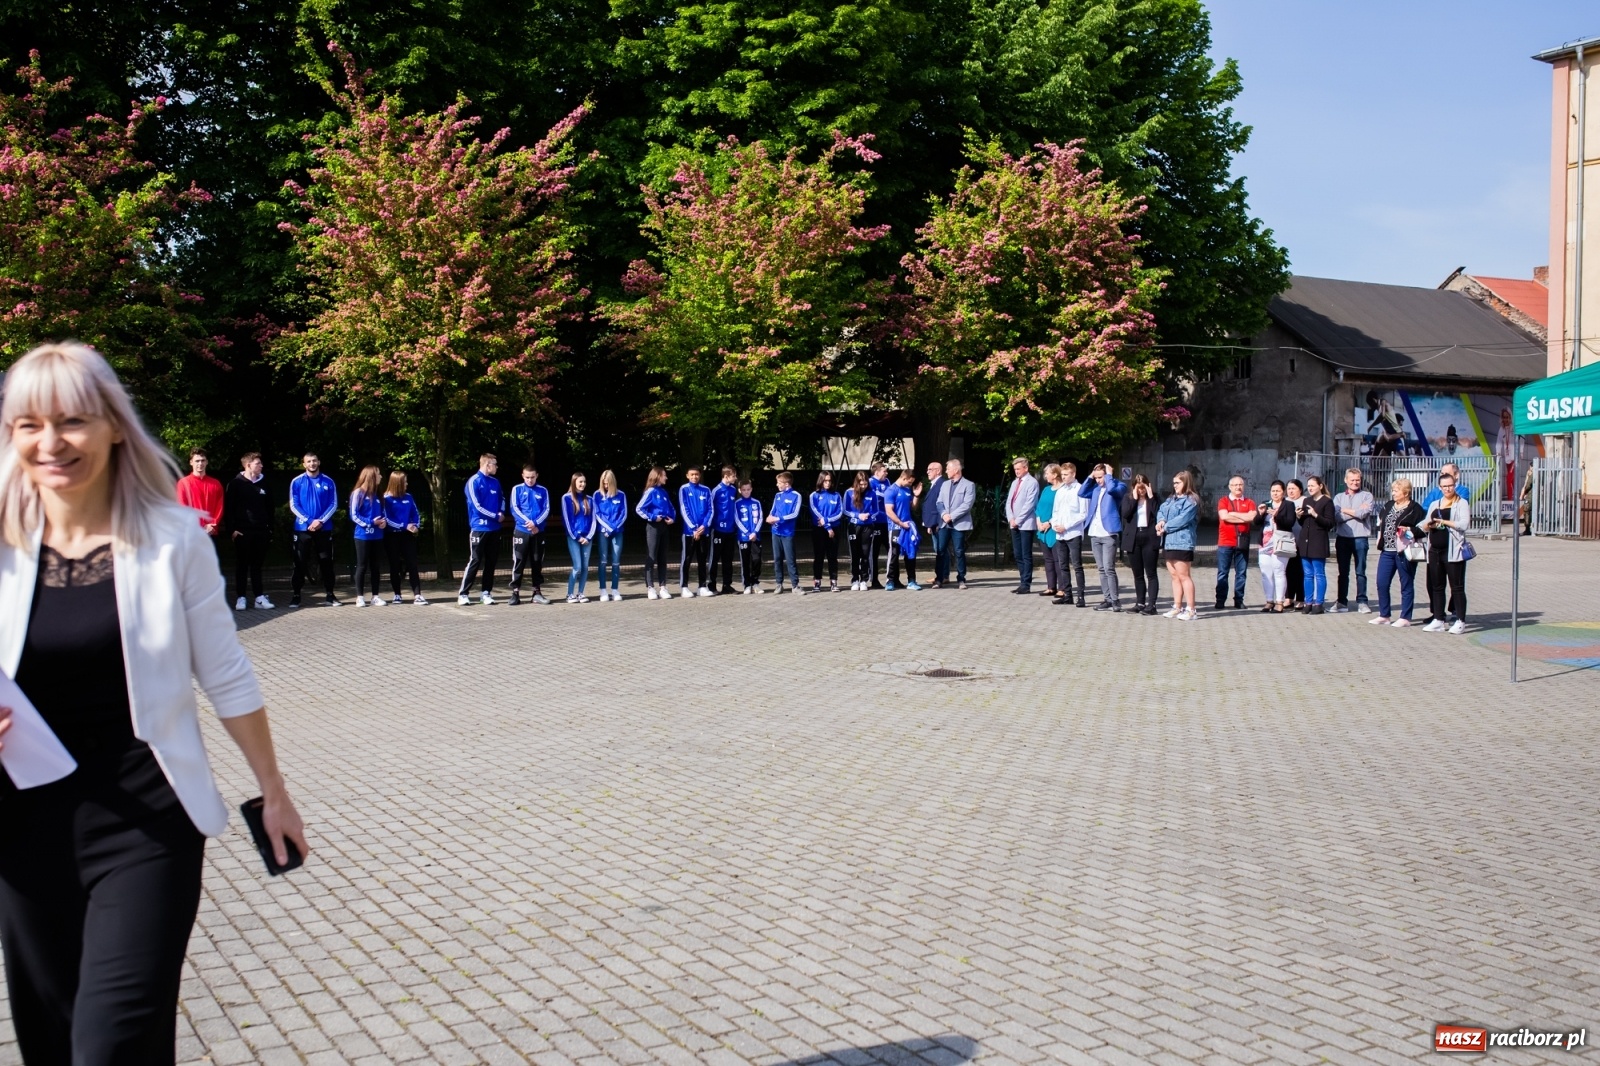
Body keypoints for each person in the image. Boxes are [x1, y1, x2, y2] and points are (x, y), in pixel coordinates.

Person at [0, 342, 309, 1065]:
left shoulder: (171, 538)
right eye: (28, 424)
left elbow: (226, 673)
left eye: (72, 420)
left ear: (114, 426)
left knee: (112, 1044)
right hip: (21, 828)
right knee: (52, 1042)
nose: (51, 442)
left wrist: (273, 790)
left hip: (147, 824)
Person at [1371, 477, 1424, 628]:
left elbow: (1422, 529)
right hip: (1387, 550)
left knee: (1406, 583)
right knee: (1382, 582)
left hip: (1404, 551)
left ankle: (1405, 617)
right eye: (1393, 490)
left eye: (1396, 491)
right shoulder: (1388, 505)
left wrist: (1409, 530)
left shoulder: (1416, 509)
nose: (1393, 493)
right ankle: (1384, 615)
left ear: (1406, 492)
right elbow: (1380, 522)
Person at [1422, 471, 1471, 634]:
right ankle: (1438, 619)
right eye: (1444, 486)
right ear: (1439, 487)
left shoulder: (1461, 503)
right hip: (1435, 550)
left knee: (1457, 587)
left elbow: (1464, 524)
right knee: (1437, 586)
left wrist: (1444, 522)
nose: (1447, 489)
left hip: (1453, 551)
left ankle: (1460, 620)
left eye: (1450, 486)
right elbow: (1425, 524)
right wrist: (1428, 525)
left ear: (1454, 485)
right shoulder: (1435, 504)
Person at [224, 452, 274, 611]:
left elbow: (270, 509)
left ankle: (259, 598)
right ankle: (241, 598)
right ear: (248, 465)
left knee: (257, 566)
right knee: (242, 565)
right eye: (258, 463)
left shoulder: (265, 483)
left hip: (261, 532)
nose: (261, 466)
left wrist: (269, 530)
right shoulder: (235, 484)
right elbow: (229, 509)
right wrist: (232, 530)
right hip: (242, 532)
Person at [288, 452, 339, 607]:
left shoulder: (328, 481)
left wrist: (320, 521)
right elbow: (294, 505)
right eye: (309, 461)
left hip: (323, 528)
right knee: (299, 562)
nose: (312, 464)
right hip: (303, 529)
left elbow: (333, 504)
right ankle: (296, 595)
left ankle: (330, 595)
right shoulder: (297, 481)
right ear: (304, 464)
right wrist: (310, 520)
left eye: (314, 460)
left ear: (319, 462)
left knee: (326, 562)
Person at [457, 453, 508, 606]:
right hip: (479, 527)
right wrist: (495, 516)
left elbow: (502, 499)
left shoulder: (495, 482)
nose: (497, 467)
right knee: (475, 560)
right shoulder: (474, 481)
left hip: (494, 529)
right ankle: (463, 594)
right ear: (487, 464)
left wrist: (501, 512)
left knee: (491, 562)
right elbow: (476, 506)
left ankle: (486, 592)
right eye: (495, 464)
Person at [1077, 463, 1125, 610]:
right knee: (1101, 568)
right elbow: (1081, 492)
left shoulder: (1119, 485)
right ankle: (1107, 599)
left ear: (1108, 474)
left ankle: (1115, 600)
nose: (1098, 480)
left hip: (1108, 532)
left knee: (1109, 567)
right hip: (1094, 532)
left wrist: (1109, 476)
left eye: (1100, 477)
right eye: (1096, 477)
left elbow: (1112, 490)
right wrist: (1090, 476)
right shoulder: (1096, 489)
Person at [1156, 471, 1199, 620]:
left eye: (1178, 483)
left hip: (1182, 542)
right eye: (1174, 483)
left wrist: (1165, 527)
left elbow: (1183, 519)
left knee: (1184, 576)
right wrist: (1160, 520)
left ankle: (1191, 610)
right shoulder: (1171, 499)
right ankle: (1177, 607)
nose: (1174, 486)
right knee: (1174, 576)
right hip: (1168, 542)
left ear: (1186, 482)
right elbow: (1161, 510)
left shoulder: (1191, 500)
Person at [1333, 467, 1375, 614]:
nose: (1355, 482)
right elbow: (1336, 517)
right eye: (1352, 480)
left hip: (1360, 538)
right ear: (1346, 480)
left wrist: (1345, 510)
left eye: (1357, 480)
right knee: (1343, 572)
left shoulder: (1367, 496)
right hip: (1342, 539)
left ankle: (1362, 602)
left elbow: (1363, 514)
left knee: (1360, 571)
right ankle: (1341, 602)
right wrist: (1356, 511)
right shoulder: (1338, 497)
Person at [508, 463, 550, 606]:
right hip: (522, 530)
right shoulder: (517, 489)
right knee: (519, 561)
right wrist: (529, 523)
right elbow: (514, 508)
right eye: (527, 477)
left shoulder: (543, 490)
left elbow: (546, 509)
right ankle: (515, 592)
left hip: (538, 531)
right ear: (522, 476)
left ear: (537, 476)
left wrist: (536, 524)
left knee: (537, 562)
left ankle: (536, 593)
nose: (530, 480)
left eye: (532, 477)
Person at [382, 471, 426, 605]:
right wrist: (404, 525)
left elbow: (415, 514)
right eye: (404, 481)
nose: (407, 484)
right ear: (397, 483)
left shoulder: (409, 497)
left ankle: (417, 595)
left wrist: (415, 526)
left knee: (412, 564)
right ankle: (397, 594)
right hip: (392, 536)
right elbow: (387, 519)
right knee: (394, 565)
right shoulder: (386, 498)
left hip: (408, 536)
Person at [1119, 473, 1160, 614]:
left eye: (1143, 487)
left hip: (1149, 536)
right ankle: (1140, 603)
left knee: (1151, 573)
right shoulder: (1128, 498)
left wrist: (1151, 497)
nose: (1141, 491)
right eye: (1139, 488)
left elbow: (1158, 513)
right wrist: (1135, 499)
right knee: (1138, 573)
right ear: (1134, 487)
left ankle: (1152, 605)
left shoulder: (1154, 498)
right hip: (1133, 537)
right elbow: (1125, 514)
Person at [175, 449, 223, 567]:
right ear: (191, 462)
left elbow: (220, 507)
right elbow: (182, 507)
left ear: (207, 462)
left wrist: (212, 524)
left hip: (211, 533)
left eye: (203, 460)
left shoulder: (215, 484)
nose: (200, 463)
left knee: (210, 567)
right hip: (191, 532)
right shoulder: (183, 483)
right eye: (197, 461)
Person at [348, 465, 388, 606]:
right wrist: (371, 522)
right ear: (371, 476)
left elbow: (383, 513)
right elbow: (354, 515)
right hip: (362, 535)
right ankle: (359, 597)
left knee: (376, 566)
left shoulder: (378, 494)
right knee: (362, 566)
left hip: (377, 536)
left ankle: (375, 596)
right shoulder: (358, 493)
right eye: (378, 474)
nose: (380, 476)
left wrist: (383, 522)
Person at [1296, 475, 1337, 614]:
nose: (1310, 488)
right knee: (1307, 574)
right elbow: (1303, 523)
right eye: (1308, 486)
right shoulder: (1306, 500)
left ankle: (1319, 603)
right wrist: (1299, 516)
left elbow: (1330, 523)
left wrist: (1315, 515)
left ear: (1320, 486)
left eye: (1312, 485)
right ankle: (1308, 602)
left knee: (1319, 573)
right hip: (1305, 541)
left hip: (1318, 542)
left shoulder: (1327, 502)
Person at [933, 458, 976, 589]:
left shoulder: (969, 485)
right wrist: (943, 514)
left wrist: (951, 516)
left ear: (956, 470)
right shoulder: (945, 484)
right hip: (944, 523)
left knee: (959, 551)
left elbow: (967, 505)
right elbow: (939, 502)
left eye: (948, 469)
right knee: (940, 551)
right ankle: (939, 579)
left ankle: (961, 579)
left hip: (959, 524)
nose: (946, 471)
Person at [1214, 475, 1255, 610]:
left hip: (1242, 542)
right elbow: (1224, 516)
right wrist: (1243, 517)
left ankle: (1239, 600)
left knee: (1241, 573)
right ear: (1230, 487)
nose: (1238, 487)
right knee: (1223, 573)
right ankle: (1220, 600)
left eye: (1240, 485)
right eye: (1235, 485)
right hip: (1225, 542)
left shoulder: (1249, 502)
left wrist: (1233, 514)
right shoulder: (1223, 501)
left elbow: (1251, 517)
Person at [1051, 463, 1089, 607]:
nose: (1064, 477)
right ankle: (1067, 595)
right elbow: (1055, 511)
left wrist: (1066, 526)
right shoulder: (1060, 491)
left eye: (1066, 475)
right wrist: (1055, 524)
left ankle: (1081, 596)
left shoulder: (1080, 489)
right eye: (1062, 474)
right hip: (1060, 534)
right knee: (1063, 565)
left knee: (1077, 565)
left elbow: (1083, 514)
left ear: (1073, 474)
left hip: (1073, 533)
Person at [635, 467, 676, 599]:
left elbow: (671, 508)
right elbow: (639, 508)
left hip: (664, 526)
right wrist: (652, 517)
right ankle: (650, 587)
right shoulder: (650, 491)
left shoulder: (664, 492)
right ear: (658, 476)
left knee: (663, 557)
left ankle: (663, 587)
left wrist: (672, 518)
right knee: (651, 556)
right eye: (664, 475)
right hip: (653, 527)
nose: (666, 478)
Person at [1255, 480, 1294, 613]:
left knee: (1279, 572)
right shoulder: (1266, 504)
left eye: (1278, 491)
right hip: (1265, 543)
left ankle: (1279, 601)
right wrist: (1260, 514)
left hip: (1280, 543)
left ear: (1283, 492)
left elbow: (1290, 522)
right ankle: (1269, 601)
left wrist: (1277, 516)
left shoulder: (1288, 505)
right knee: (1266, 573)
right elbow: (1256, 523)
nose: (1275, 493)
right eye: (1273, 491)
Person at [1004, 456, 1040, 594]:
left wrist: (1018, 520)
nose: (1016, 471)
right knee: (1017, 554)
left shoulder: (1032, 482)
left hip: (1026, 524)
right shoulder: (1015, 482)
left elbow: (1029, 504)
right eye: (1015, 469)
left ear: (1026, 468)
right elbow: (1009, 501)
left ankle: (1026, 583)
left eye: (1018, 469)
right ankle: (1022, 581)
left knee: (1026, 554)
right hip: (1014, 523)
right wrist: (1011, 518)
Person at [677, 467, 714, 598]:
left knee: (702, 559)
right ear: (687, 475)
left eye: (696, 474)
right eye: (692, 474)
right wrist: (693, 528)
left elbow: (710, 509)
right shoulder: (684, 489)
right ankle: (684, 587)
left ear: (700, 475)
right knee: (686, 559)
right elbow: (684, 509)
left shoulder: (706, 490)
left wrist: (704, 526)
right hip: (689, 532)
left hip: (704, 531)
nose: (694, 477)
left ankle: (702, 586)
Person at [883, 468, 922, 591]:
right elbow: (889, 511)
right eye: (909, 482)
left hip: (908, 527)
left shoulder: (907, 490)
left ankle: (911, 581)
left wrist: (916, 495)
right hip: (895, 527)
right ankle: (890, 581)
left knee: (910, 553)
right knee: (894, 554)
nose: (910, 484)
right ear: (904, 478)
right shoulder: (891, 490)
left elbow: (913, 507)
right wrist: (900, 523)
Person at [593, 470, 627, 602]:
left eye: (608, 483)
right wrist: (607, 527)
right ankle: (603, 589)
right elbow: (597, 514)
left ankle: (615, 589)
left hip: (617, 531)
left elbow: (623, 514)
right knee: (603, 560)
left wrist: (614, 528)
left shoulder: (621, 495)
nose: (606, 486)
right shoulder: (597, 495)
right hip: (603, 531)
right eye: (604, 484)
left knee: (616, 561)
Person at [766, 471, 802, 593]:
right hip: (775, 531)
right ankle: (779, 584)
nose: (777, 485)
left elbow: (794, 514)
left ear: (786, 484)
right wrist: (769, 517)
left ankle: (795, 585)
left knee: (790, 559)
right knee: (777, 558)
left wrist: (778, 519)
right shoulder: (778, 495)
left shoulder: (796, 495)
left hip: (787, 532)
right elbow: (773, 510)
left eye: (779, 482)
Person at [562, 472, 595, 603]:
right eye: (580, 481)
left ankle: (580, 593)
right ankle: (570, 594)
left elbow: (593, 520)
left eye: (584, 482)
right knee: (577, 566)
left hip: (587, 538)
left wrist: (589, 537)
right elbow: (567, 520)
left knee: (585, 567)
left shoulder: (590, 499)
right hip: (574, 537)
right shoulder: (566, 498)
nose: (583, 484)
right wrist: (577, 537)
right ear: (574, 482)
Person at [808, 471, 844, 592]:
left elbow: (840, 512)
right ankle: (817, 582)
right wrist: (827, 527)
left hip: (835, 529)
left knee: (832, 557)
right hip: (819, 529)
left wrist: (827, 521)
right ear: (821, 481)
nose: (827, 483)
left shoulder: (837, 495)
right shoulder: (814, 495)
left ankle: (833, 582)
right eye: (825, 481)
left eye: (829, 481)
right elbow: (814, 511)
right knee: (819, 556)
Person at [710, 466, 740, 595]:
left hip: (730, 530)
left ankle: (727, 585)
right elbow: (710, 508)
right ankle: (711, 585)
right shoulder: (716, 490)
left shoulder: (733, 490)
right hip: (718, 530)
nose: (735, 478)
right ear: (726, 476)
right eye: (733, 476)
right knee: (714, 558)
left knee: (728, 559)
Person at [845, 471, 875, 591]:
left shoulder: (872, 493)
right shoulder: (849, 493)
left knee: (865, 554)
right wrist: (858, 516)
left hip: (867, 526)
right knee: (854, 554)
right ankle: (855, 579)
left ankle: (864, 580)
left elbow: (876, 510)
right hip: (854, 526)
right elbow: (845, 510)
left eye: (865, 484)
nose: (863, 487)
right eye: (861, 484)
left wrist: (869, 515)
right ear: (856, 483)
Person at [734, 480, 765, 592]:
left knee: (757, 560)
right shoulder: (737, 503)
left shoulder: (756, 502)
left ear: (751, 489)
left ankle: (755, 583)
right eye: (744, 490)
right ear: (740, 490)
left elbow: (761, 518)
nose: (746, 492)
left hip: (756, 537)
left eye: (748, 489)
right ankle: (747, 585)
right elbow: (737, 520)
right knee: (745, 561)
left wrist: (755, 532)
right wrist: (748, 533)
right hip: (743, 537)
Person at [1035, 464, 1060, 597]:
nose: (1045, 476)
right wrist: (1038, 521)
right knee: (1048, 559)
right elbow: (1038, 507)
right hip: (1042, 528)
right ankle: (1051, 587)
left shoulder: (1061, 491)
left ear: (1055, 474)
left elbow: (1060, 511)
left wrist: (1049, 523)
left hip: (1054, 529)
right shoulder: (1046, 489)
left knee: (1057, 560)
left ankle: (1062, 587)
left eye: (1047, 473)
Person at [867, 461, 890, 589]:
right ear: (877, 472)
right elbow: (873, 497)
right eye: (884, 471)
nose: (886, 473)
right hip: (875, 522)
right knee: (874, 552)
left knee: (892, 550)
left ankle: (893, 578)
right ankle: (874, 579)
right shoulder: (870, 482)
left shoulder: (887, 482)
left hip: (887, 521)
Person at [1284, 479, 1306, 609]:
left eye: (1293, 488)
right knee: (1288, 570)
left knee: (1301, 571)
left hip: (1301, 541)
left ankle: (1301, 598)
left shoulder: (1305, 501)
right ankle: (1289, 597)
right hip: (1287, 541)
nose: (1291, 491)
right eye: (1289, 489)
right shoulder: (1285, 502)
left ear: (1300, 489)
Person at [921, 461, 945, 548]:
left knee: (941, 550)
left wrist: (939, 522)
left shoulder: (942, 484)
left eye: (930, 469)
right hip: (933, 523)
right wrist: (929, 524)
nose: (927, 472)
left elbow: (942, 504)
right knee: (938, 549)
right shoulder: (934, 484)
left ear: (938, 471)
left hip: (938, 523)